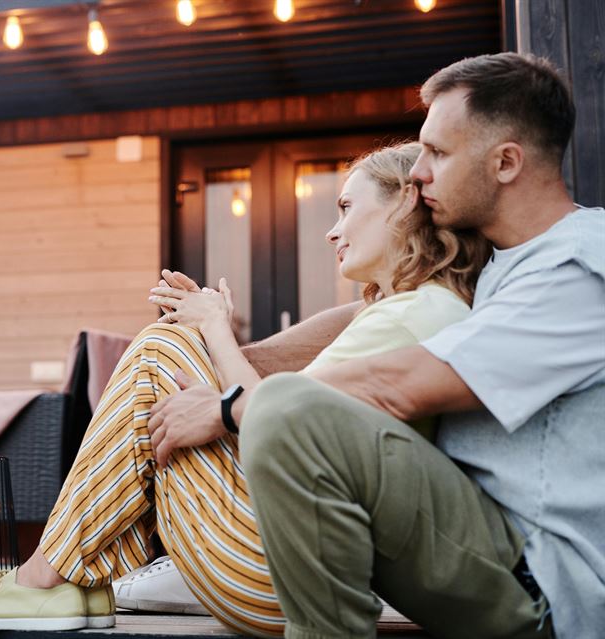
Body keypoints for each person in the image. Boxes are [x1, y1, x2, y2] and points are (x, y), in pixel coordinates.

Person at [0, 142, 491, 635]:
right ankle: (79, 581)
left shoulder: (413, 315)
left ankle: (47, 577)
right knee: (169, 348)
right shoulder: (409, 309)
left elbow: (277, 424)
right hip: (293, 557)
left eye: (346, 207)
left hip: (280, 570)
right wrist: (205, 340)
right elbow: (272, 404)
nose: (333, 231)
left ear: (402, 206)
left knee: (156, 351)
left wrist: (215, 327)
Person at [236, 53, 604, 639]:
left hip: (543, 585)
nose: (417, 174)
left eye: (438, 153)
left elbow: (398, 386)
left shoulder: (579, 266)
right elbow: (376, 305)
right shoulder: (506, 260)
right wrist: (248, 352)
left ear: (506, 161)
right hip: (477, 539)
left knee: (285, 411)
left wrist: (231, 401)